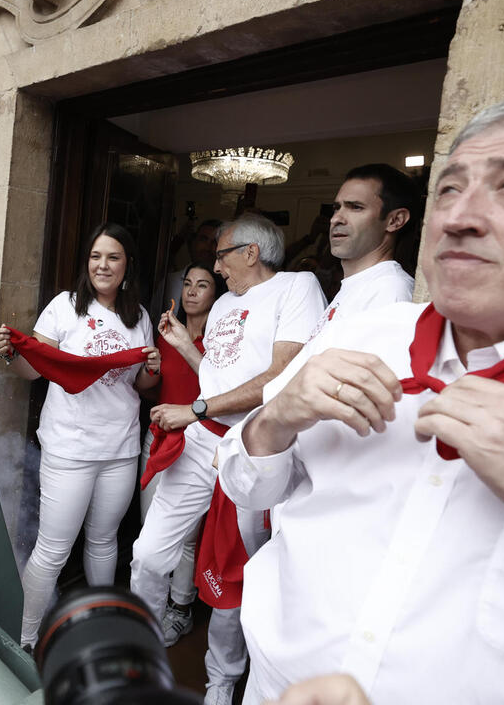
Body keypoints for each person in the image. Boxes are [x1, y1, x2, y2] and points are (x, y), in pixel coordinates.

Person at [219, 94, 504, 704]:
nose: (458, 218)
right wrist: (273, 420)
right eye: (449, 190)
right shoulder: (359, 336)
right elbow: (247, 486)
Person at [132, 213, 326, 705]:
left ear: (250, 252)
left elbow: (281, 377)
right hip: (202, 444)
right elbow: (218, 378)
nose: (216, 268)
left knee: (236, 578)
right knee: (148, 554)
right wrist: (183, 347)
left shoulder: (296, 288)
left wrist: (194, 409)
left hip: (254, 451)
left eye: (221, 255)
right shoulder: (223, 308)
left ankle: (220, 684)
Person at [0, 223, 160, 649]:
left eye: (113, 257)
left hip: (120, 448)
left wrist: (152, 369)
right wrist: (14, 352)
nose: (103, 265)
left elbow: (138, 386)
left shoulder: (138, 316)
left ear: (128, 265)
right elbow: (36, 368)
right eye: (96, 257)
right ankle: (25, 640)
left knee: (104, 542)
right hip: (69, 448)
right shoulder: (65, 307)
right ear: (87, 264)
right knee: (52, 550)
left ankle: (97, 623)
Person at [141, 263, 227, 646]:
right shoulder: (165, 334)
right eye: (187, 283)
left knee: (187, 536)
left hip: (198, 443)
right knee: (153, 534)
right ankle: (152, 614)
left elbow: (226, 393)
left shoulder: (223, 345)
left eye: (203, 285)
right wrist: (151, 371)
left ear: (216, 293)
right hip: (160, 437)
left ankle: (180, 609)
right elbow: (148, 391)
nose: (192, 291)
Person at [312, 163, 417, 338]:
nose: (335, 219)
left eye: (356, 207)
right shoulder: (363, 285)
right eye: (337, 208)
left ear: (395, 221)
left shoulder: (389, 291)